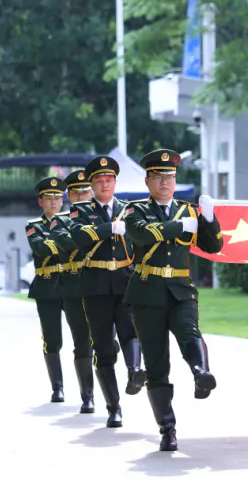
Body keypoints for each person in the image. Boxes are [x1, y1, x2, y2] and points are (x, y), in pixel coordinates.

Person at [122, 148, 223, 452]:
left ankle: (201, 373)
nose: (165, 182)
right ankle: (167, 429)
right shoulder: (135, 210)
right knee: (156, 364)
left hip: (180, 289)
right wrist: (180, 226)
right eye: (158, 177)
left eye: (169, 176)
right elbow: (142, 235)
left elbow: (213, 246)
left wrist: (209, 220)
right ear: (148, 181)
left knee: (190, 331)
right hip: (147, 292)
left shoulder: (188, 210)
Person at [64, 155, 146, 428]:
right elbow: (78, 236)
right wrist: (108, 228)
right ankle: (114, 407)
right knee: (102, 347)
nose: (104, 184)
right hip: (96, 285)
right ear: (92, 184)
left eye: (109, 179)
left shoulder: (128, 209)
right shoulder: (80, 210)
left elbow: (141, 239)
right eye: (99, 180)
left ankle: (135, 371)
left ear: (115, 182)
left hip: (125, 280)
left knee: (130, 331)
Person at [51, 169, 95, 413]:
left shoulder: (102, 216)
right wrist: (99, 233)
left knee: (107, 340)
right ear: (68, 195)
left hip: (101, 284)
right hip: (74, 286)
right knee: (82, 341)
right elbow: (68, 242)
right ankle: (87, 395)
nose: (81, 197)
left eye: (85, 192)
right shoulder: (60, 221)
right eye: (76, 193)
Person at [25, 177, 70, 404]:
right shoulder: (34, 225)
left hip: (71, 283)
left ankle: (88, 390)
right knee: (52, 339)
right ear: (40, 201)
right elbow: (41, 248)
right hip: (47, 286)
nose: (54, 202)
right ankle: (57, 387)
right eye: (49, 198)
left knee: (85, 335)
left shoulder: (72, 221)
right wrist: (66, 243)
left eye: (57, 198)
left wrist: (58, 243)